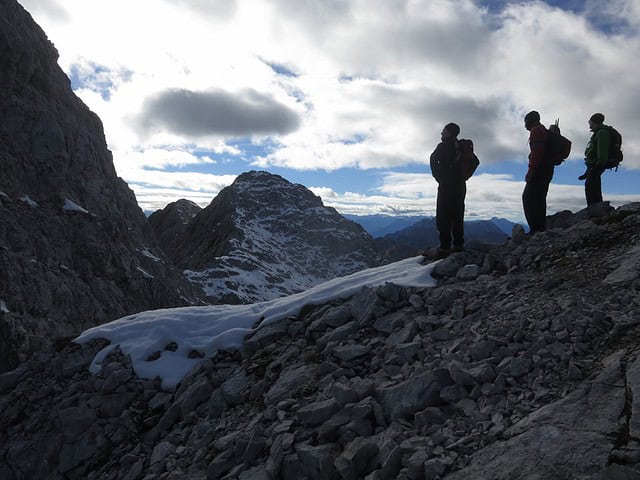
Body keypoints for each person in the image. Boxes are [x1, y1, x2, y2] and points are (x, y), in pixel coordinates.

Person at [429, 122, 466, 258]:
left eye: (443, 130)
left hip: (446, 185)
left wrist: (438, 177)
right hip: (460, 185)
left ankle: (445, 247)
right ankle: (458, 245)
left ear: (449, 132)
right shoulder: (461, 146)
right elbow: (474, 161)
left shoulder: (442, 146)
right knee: (457, 214)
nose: (441, 133)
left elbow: (432, 160)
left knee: (443, 216)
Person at [522, 110, 554, 234]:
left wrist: (531, 170)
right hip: (547, 168)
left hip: (539, 169)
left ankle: (535, 229)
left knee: (528, 197)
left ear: (530, 121)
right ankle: (540, 227)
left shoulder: (536, 131)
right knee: (540, 197)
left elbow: (537, 152)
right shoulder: (544, 130)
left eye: (526, 121)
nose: (525, 124)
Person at [580, 113, 609, 206]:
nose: (589, 125)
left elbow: (602, 150)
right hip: (594, 165)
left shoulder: (602, 133)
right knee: (593, 185)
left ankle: (596, 210)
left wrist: (599, 164)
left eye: (590, 122)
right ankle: (597, 209)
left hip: (597, 164)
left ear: (594, 122)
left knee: (591, 187)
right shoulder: (599, 132)